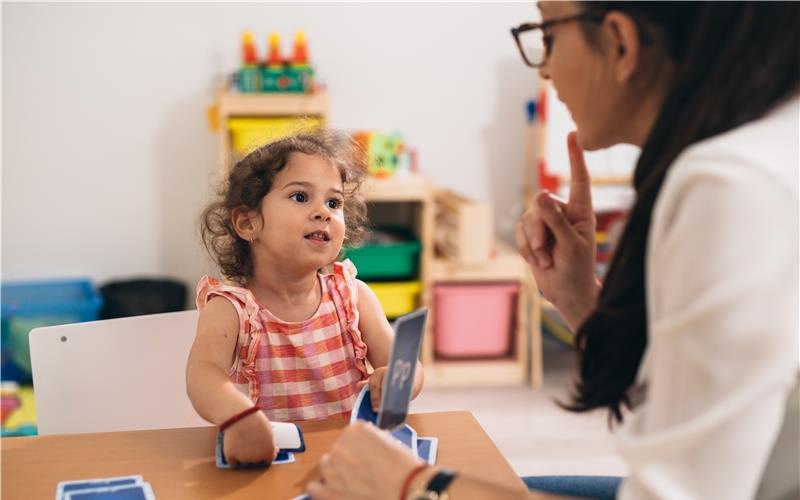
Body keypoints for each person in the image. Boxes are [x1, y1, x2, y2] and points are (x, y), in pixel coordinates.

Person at [306, 2, 799, 499]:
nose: (542, 65)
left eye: (548, 33)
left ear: (620, 44)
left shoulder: (734, 186)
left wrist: (413, 487)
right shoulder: (757, 153)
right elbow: (685, 403)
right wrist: (581, 298)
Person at [186, 129, 424, 466]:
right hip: (272, 467)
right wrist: (237, 417)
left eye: (334, 202)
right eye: (300, 197)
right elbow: (202, 374)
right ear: (248, 222)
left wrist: (398, 381)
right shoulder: (231, 307)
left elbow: (409, 368)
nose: (323, 212)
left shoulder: (352, 294)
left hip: (349, 466)